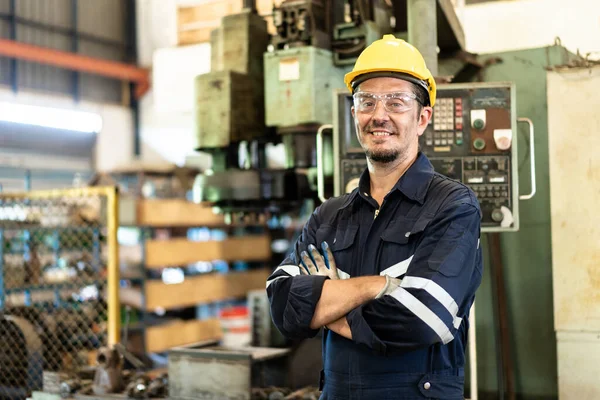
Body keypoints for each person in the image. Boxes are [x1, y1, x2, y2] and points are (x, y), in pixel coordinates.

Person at [266, 34, 483, 400]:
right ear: (354, 113)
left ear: (422, 117)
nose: (379, 115)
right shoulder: (330, 215)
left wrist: (324, 302)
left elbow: (420, 318)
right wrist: (375, 286)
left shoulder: (453, 206)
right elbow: (283, 305)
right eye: (366, 101)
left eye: (396, 102)